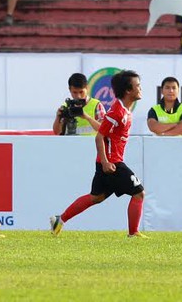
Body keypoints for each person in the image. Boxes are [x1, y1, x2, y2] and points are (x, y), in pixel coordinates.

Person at [50, 70, 148, 238]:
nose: (140, 89)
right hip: (111, 163)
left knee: (96, 197)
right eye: (137, 86)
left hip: (107, 162)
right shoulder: (117, 112)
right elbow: (100, 136)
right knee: (139, 193)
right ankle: (134, 233)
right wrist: (105, 162)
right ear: (128, 90)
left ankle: (59, 220)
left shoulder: (125, 110)